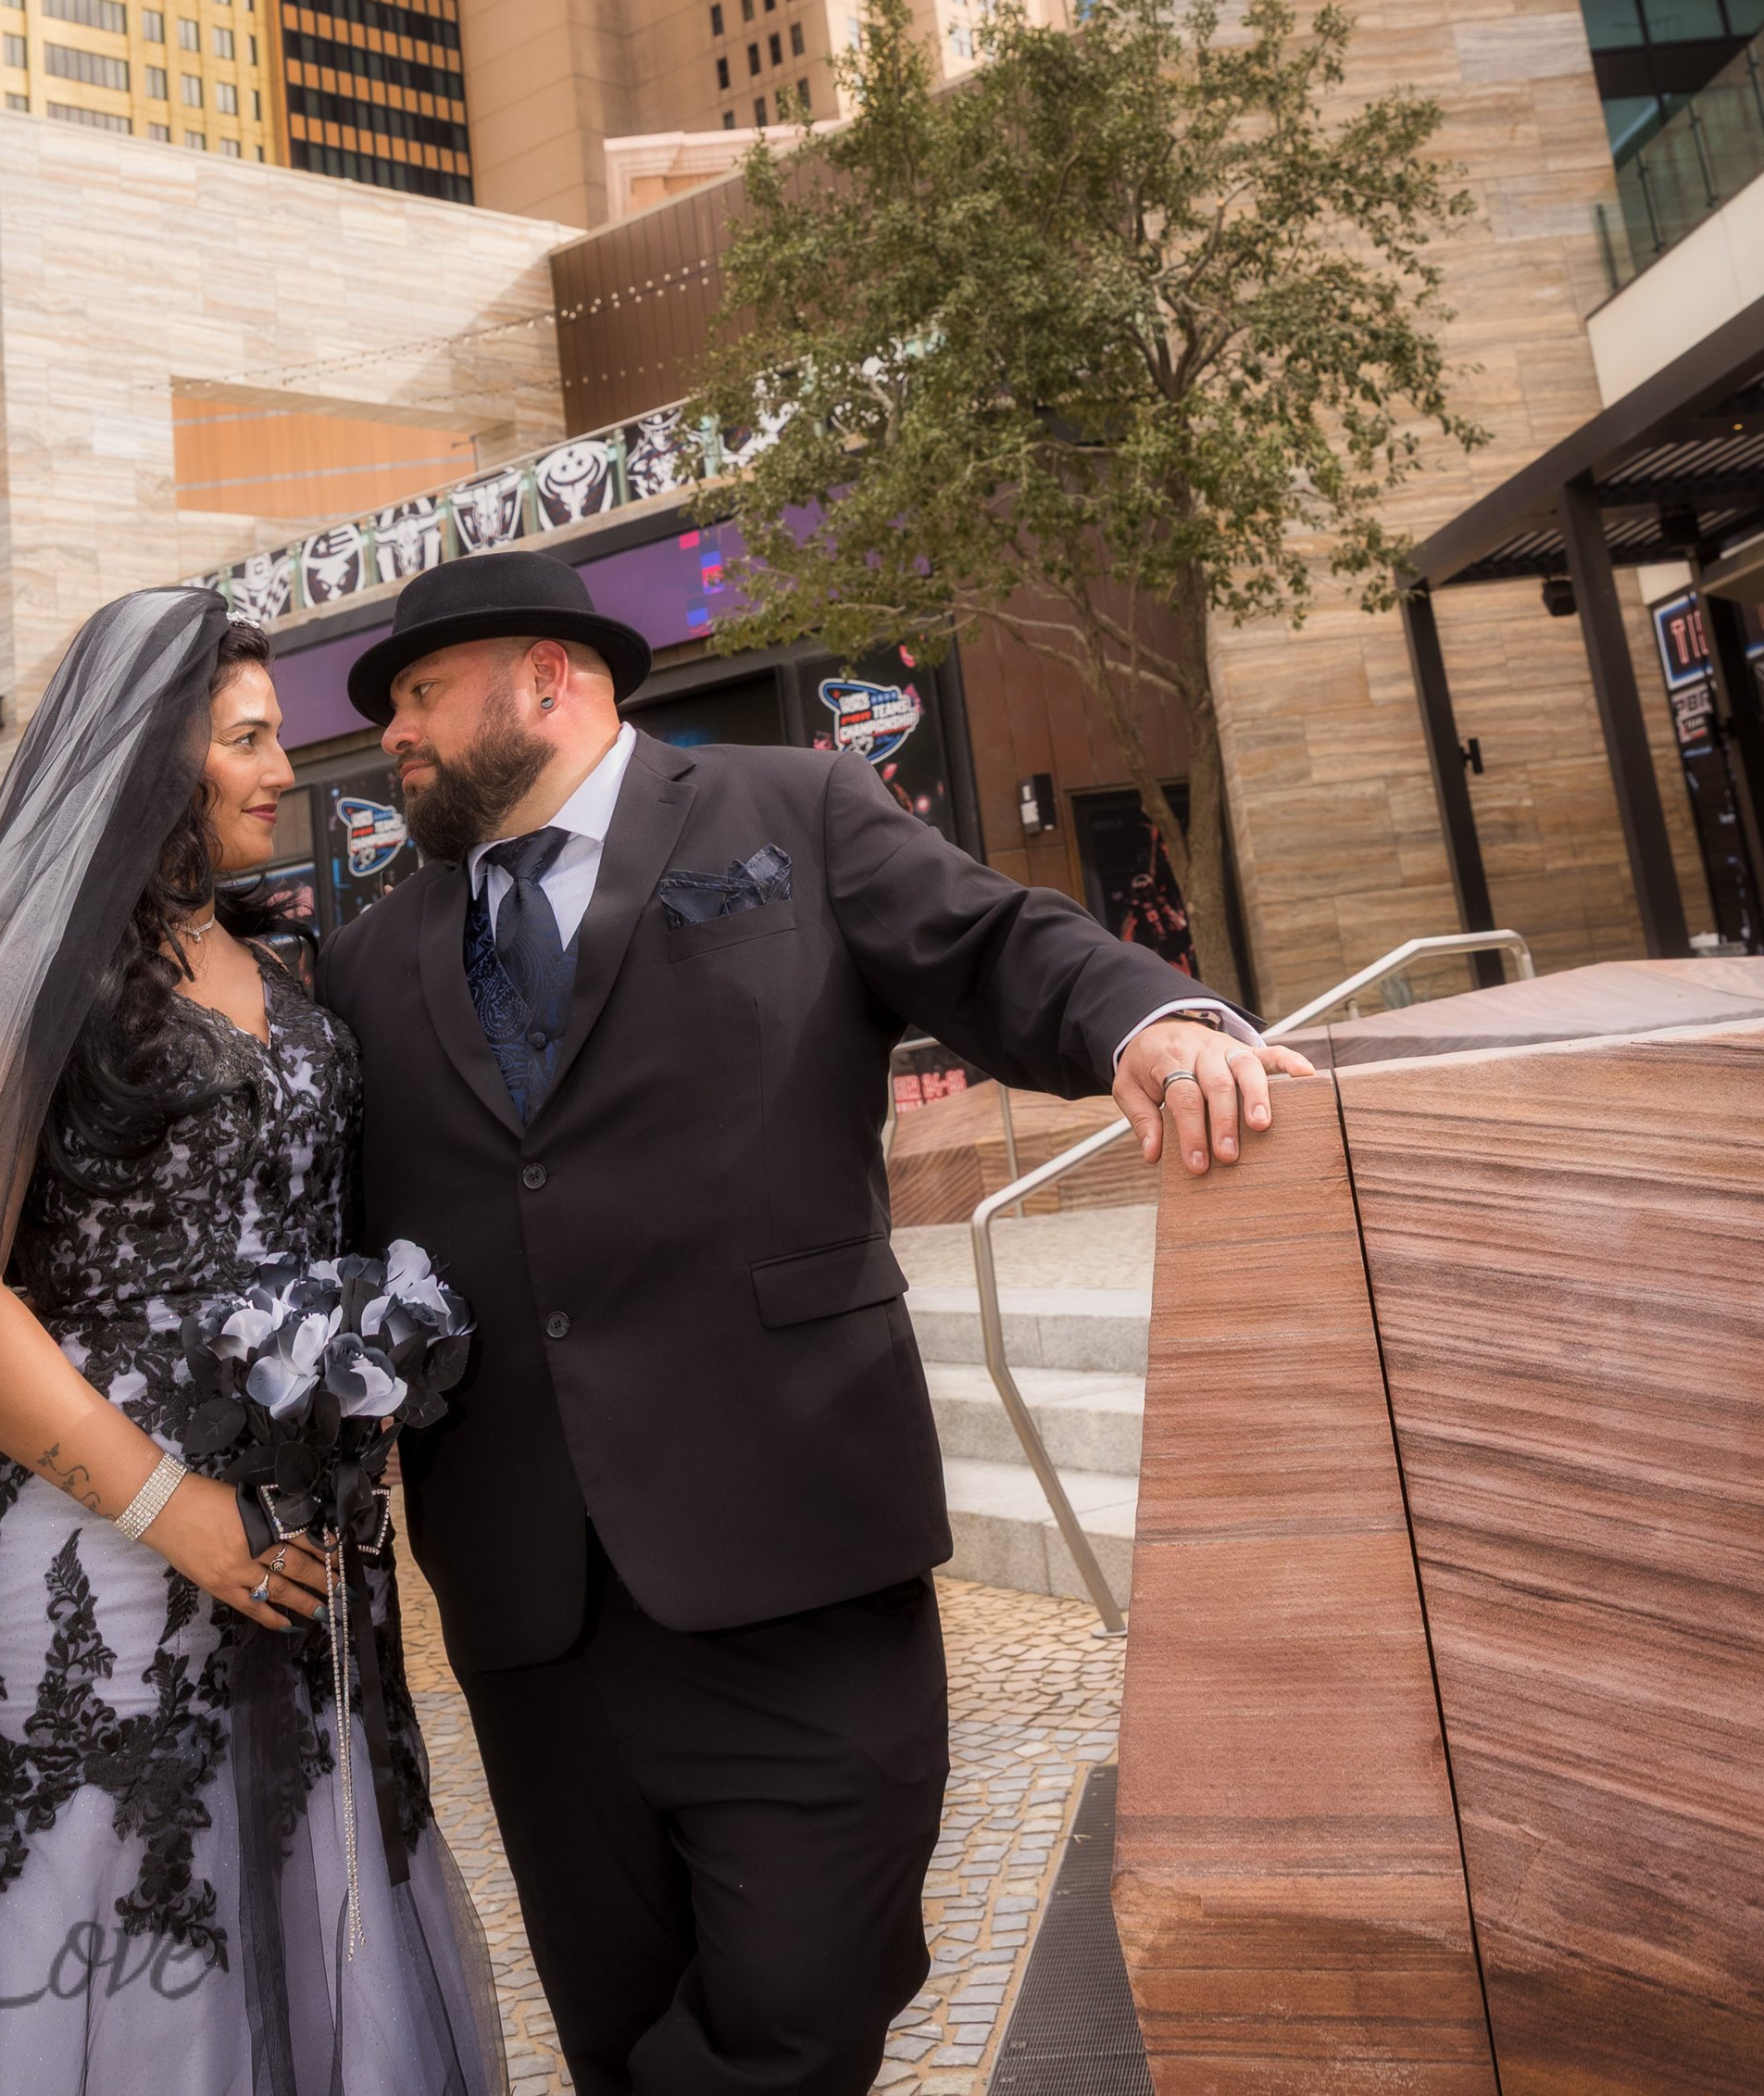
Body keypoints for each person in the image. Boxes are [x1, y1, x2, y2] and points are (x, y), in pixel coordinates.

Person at [317, 546, 1308, 2096]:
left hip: (795, 1546)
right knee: (613, 2017)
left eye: (422, 692)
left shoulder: (798, 810)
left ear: (549, 679)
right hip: (531, 1615)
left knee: (807, 1990)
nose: (394, 732)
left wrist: (1148, 1017)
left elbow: (996, 946)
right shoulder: (368, 962)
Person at [0, 589, 500, 2096]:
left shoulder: (287, 973)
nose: (287, 765)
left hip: (296, 1565)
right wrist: (171, 1507)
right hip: (95, 1564)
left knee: (315, 1902)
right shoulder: (21, 973)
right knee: (105, 1938)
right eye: (251, 738)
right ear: (158, 759)